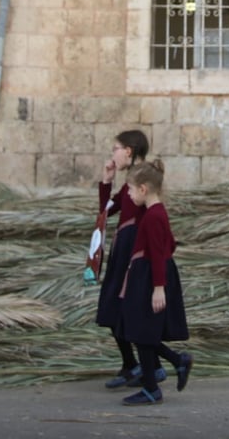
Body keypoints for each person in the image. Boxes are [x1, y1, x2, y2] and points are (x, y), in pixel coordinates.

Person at [95, 130, 166, 389]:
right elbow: (106, 211)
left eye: (115, 148)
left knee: (126, 310)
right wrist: (106, 181)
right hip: (122, 249)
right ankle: (130, 365)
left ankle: (151, 367)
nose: (112, 154)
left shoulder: (142, 179)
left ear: (128, 150)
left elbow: (152, 218)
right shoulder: (129, 183)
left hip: (132, 252)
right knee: (113, 309)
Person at [118, 159, 192, 406]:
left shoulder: (155, 216)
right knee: (140, 332)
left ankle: (153, 387)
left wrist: (159, 287)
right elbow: (170, 244)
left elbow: (161, 252)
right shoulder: (152, 213)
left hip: (150, 278)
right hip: (144, 275)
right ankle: (175, 363)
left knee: (142, 332)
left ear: (143, 189)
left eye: (129, 189)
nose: (127, 194)